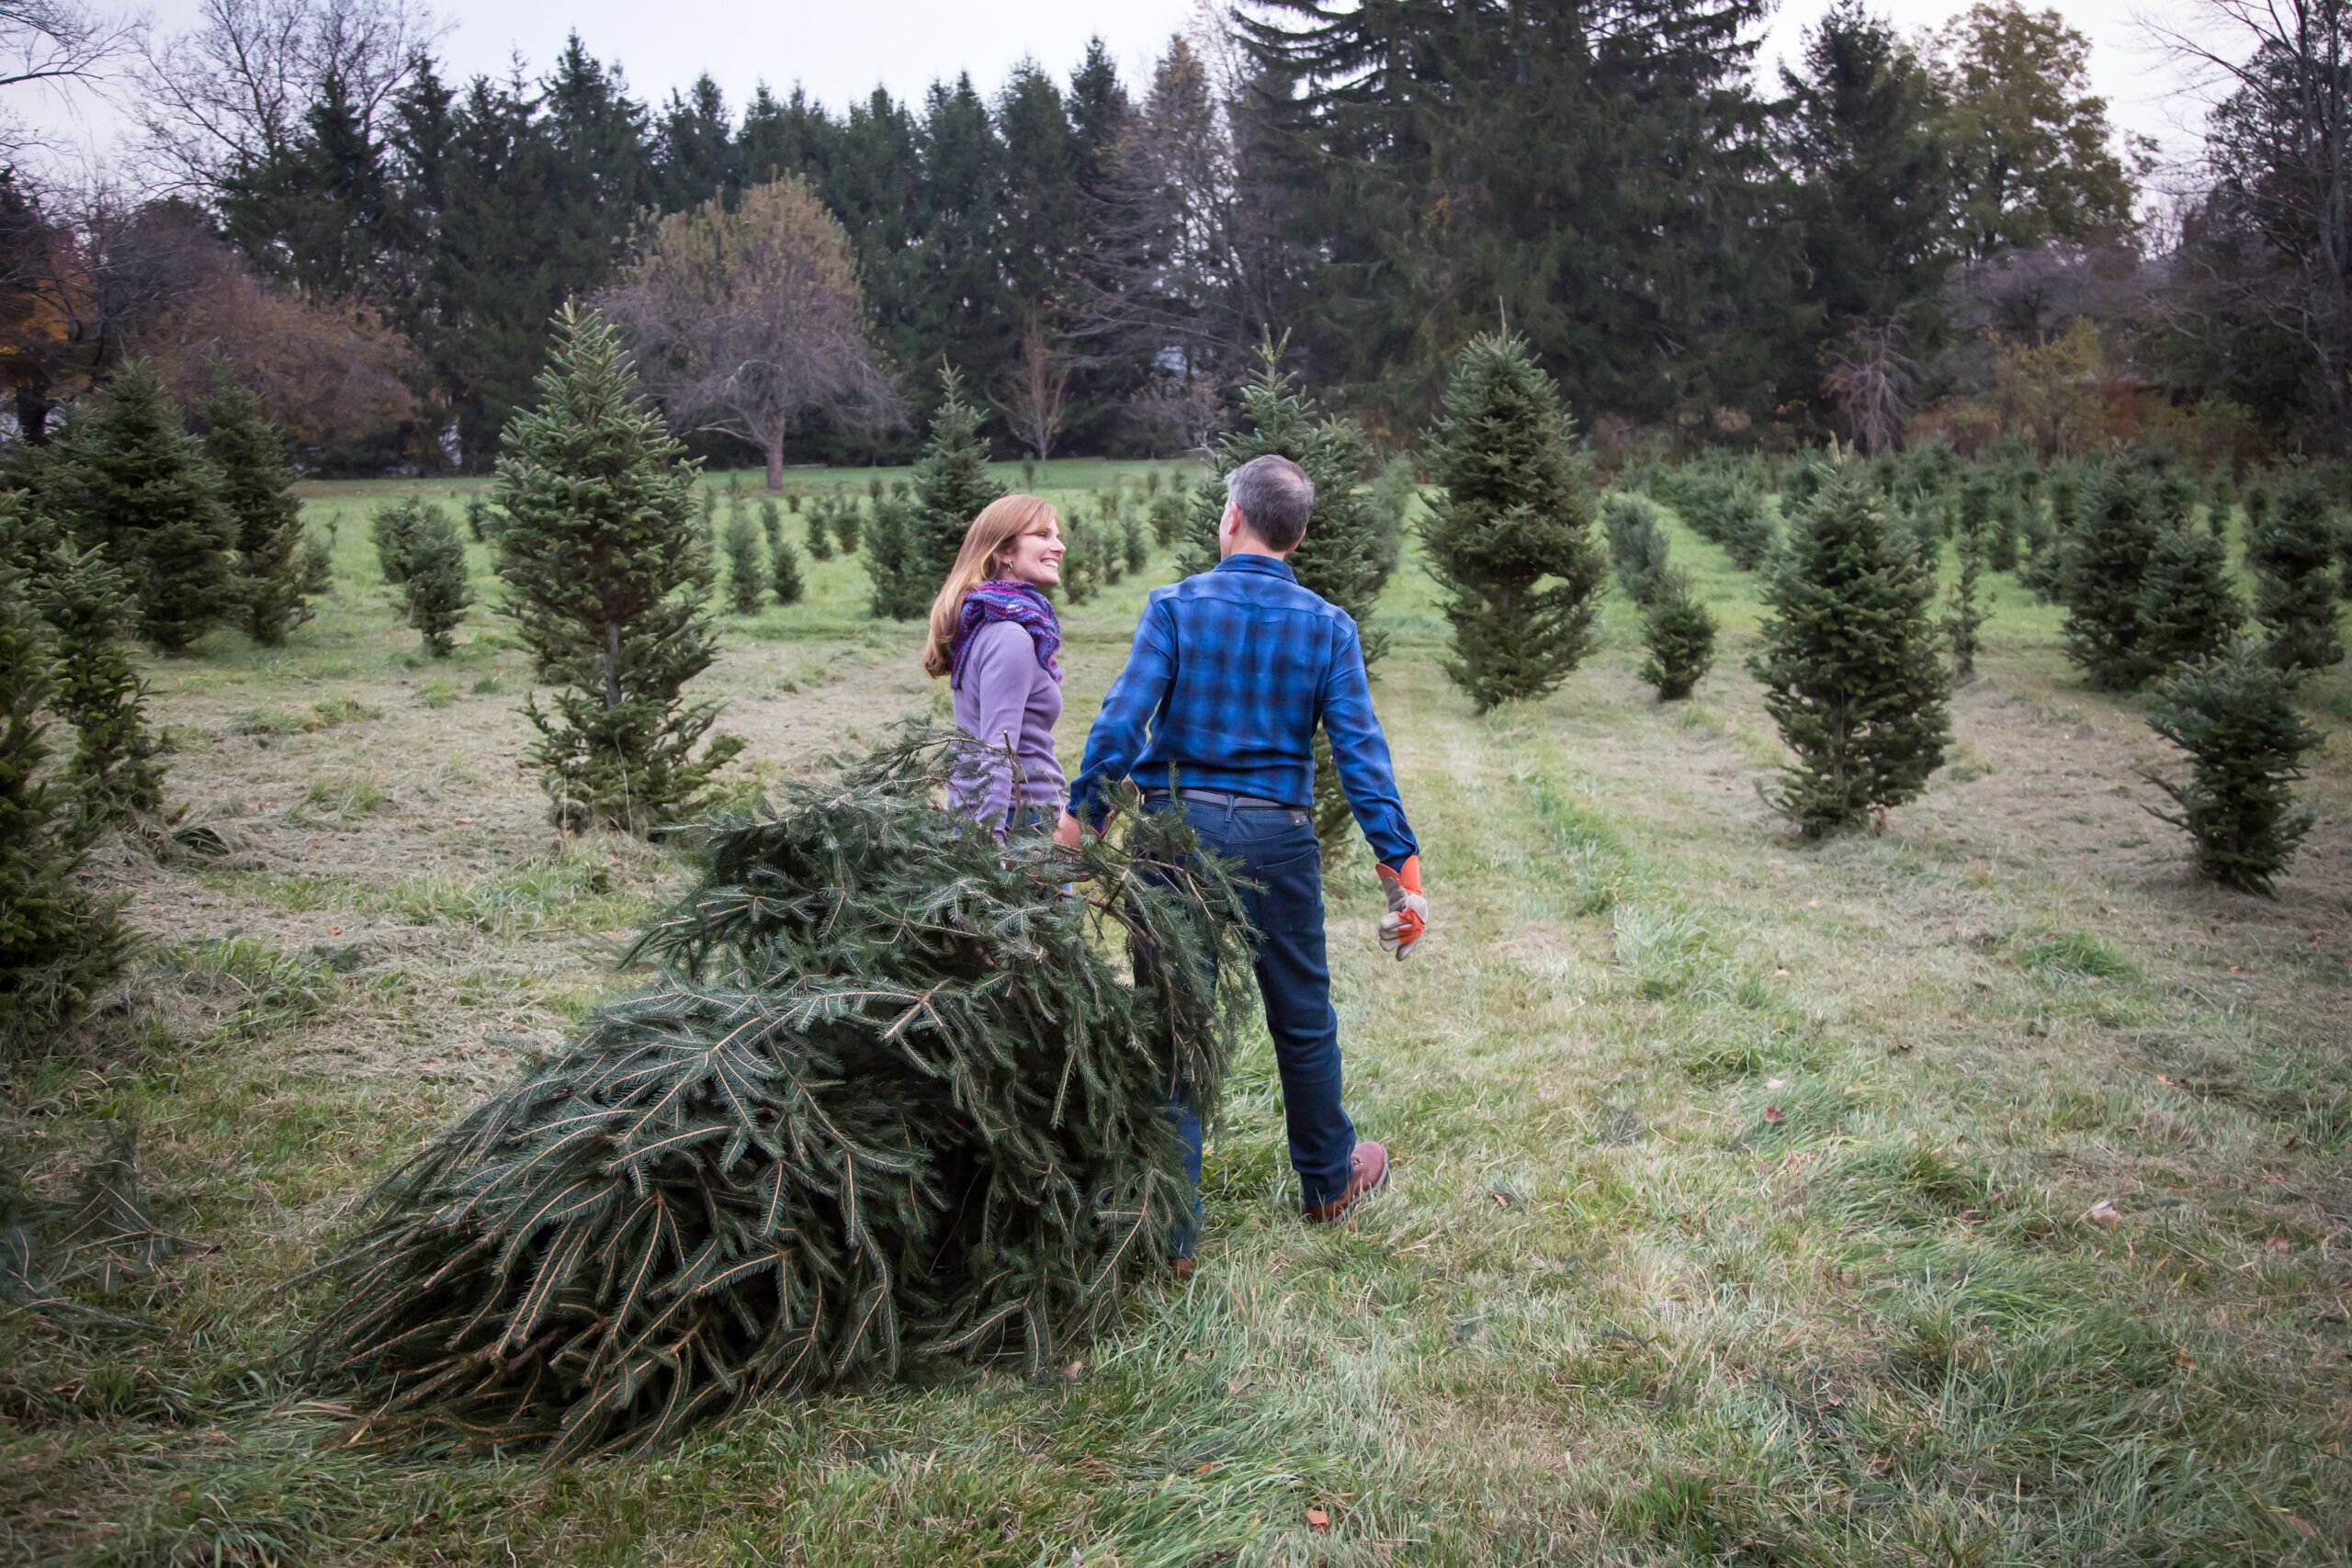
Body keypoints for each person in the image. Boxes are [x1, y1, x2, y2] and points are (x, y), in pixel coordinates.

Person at [1058, 453, 1429, 1274]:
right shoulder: (1327, 625)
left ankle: (1169, 1231)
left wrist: (1079, 821)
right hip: (1279, 840)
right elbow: (1362, 756)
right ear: (1296, 539)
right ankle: (1329, 1181)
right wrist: (1400, 870)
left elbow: (1121, 723)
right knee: (1302, 1017)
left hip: (1175, 839)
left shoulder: (1176, 607)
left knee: (1172, 1019)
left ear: (1232, 518)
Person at [923, 494, 1069, 838]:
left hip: (1007, 814)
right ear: (1004, 552)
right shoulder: (1010, 637)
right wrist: (992, 849)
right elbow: (997, 752)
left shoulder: (984, 626)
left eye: (1058, 535)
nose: (1059, 546)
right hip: (1020, 822)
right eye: (1043, 535)